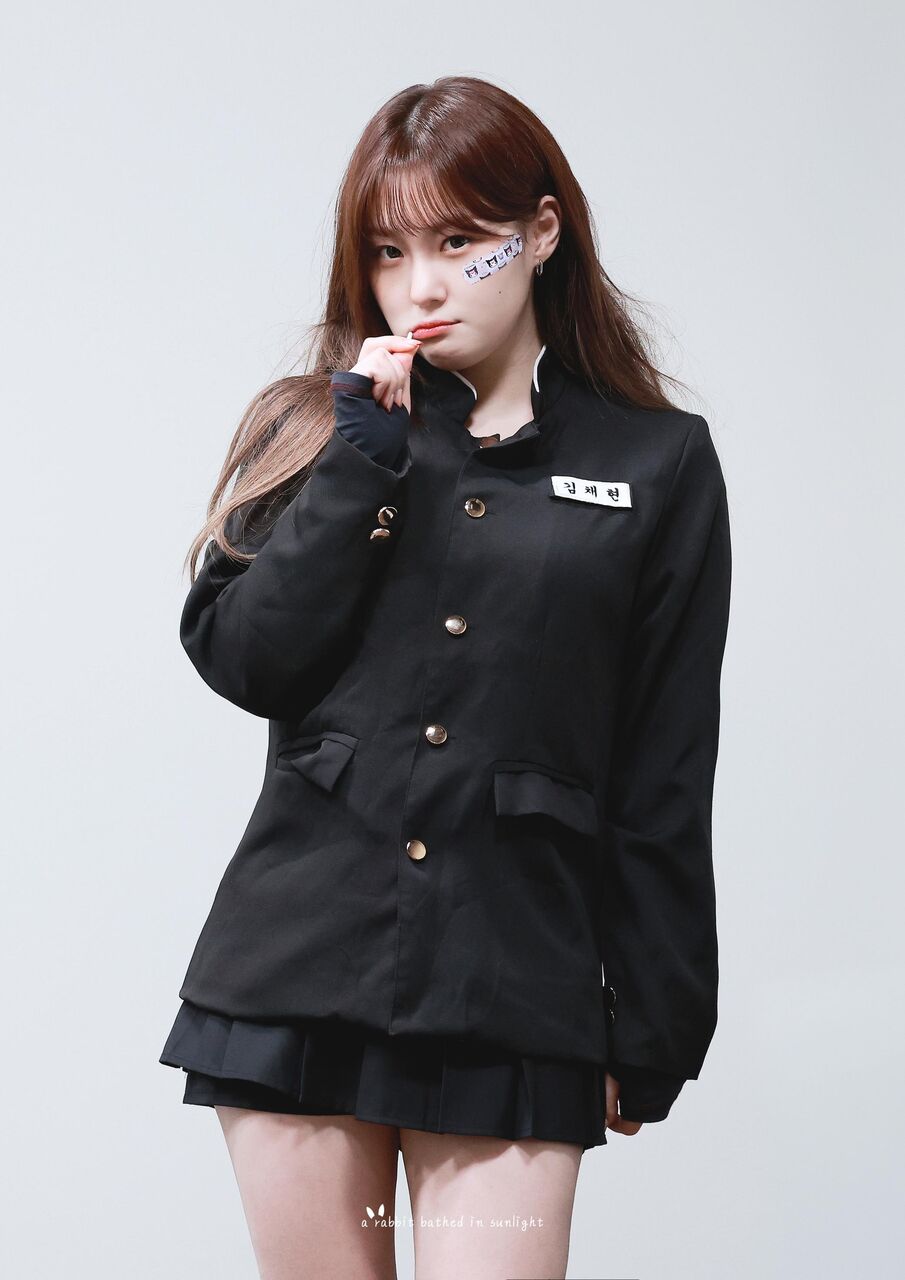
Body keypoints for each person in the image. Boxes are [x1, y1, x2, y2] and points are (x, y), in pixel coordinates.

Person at [159, 74, 732, 1280]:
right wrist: (357, 469)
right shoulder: (318, 430)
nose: (419, 284)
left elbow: (664, 761)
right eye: (387, 250)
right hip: (295, 968)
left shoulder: (655, 462)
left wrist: (656, 1014)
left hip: (513, 980)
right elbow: (246, 657)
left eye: (459, 242)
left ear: (539, 232)